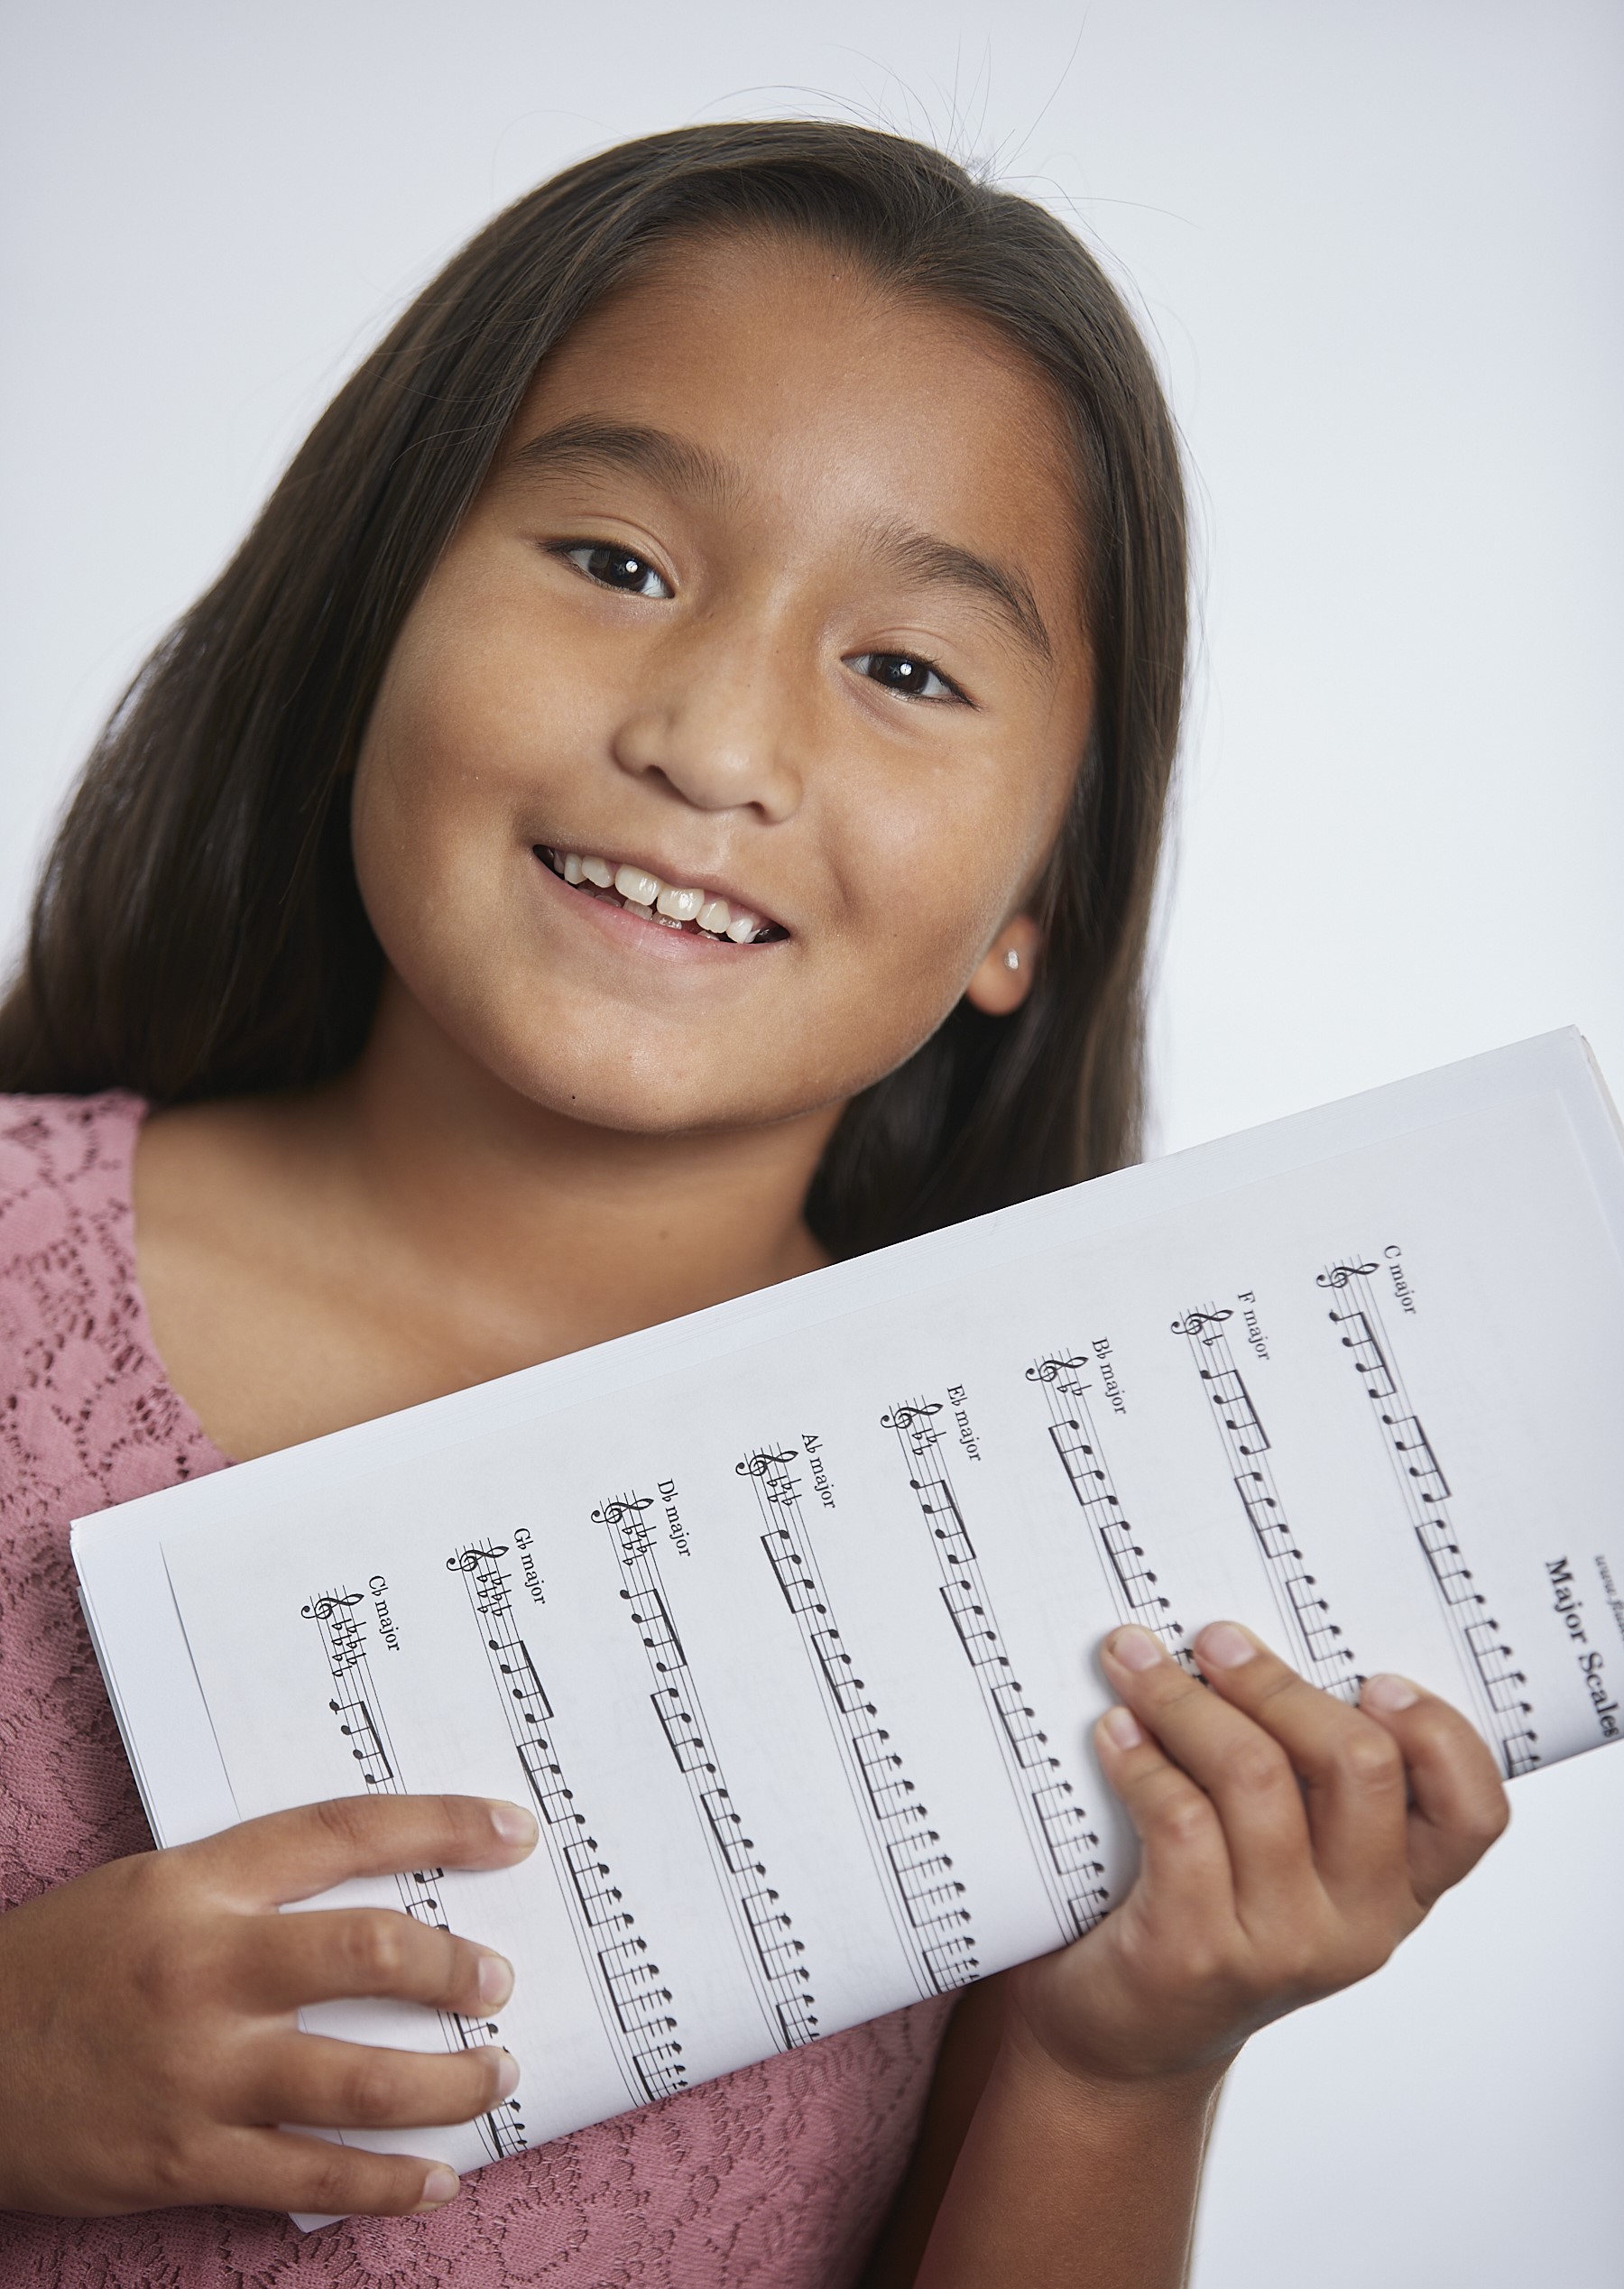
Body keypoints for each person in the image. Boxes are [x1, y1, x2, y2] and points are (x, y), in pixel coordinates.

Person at [0, 122, 1508, 2286]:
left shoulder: (1065, 1576)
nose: (715, 743)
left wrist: (1126, 2065)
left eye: (906, 671)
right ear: (377, 619)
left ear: (1035, 910)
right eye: (615, 562)